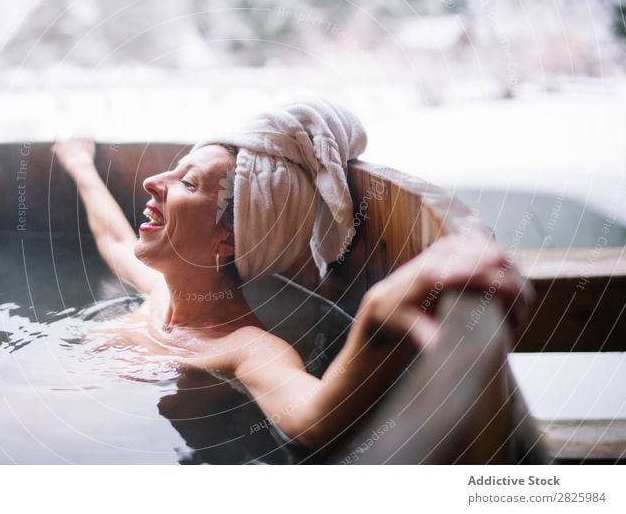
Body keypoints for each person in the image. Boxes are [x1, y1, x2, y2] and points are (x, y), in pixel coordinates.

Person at [53, 99, 533, 450]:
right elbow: (113, 238)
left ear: (231, 240)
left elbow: (312, 418)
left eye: (188, 181)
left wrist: (375, 318)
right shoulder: (162, 290)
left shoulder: (243, 347)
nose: (152, 182)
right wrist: (78, 165)